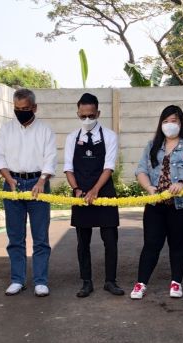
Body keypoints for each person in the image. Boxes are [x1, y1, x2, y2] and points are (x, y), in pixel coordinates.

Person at [130, 105, 183, 300]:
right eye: (165, 121)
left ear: (181, 123)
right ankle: (141, 283)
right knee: (151, 244)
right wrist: (150, 189)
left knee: (178, 243)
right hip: (156, 204)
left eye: (173, 121)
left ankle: (176, 282)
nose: (169, 125)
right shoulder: (152, 145)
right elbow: (141, 170)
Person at [0, 88, 57, 297]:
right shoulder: (6, 130)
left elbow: (50, 158)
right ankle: (17, 279)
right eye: (17, 109)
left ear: (34, 108)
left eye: (26, 109)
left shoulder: (45, 130)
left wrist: (41, 180)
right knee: (15, 236)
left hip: (38, 184)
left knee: (40, 236)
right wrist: (8, 178)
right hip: (12, 183)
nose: (21, 112)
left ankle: (40, 281)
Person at [63, 93, 124, 298]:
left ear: (98, 113)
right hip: (80, 192)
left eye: (90, 116)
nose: (87, 120)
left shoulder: (110, 136)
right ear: (78, 114)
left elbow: (109, 167)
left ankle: (110, 281)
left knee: (110, 239)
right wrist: (76, 189)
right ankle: (86, 282)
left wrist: (95, 190)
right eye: (83, 116)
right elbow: (68, 168)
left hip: (104, 191)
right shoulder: (72, 137)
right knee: (83, 241)